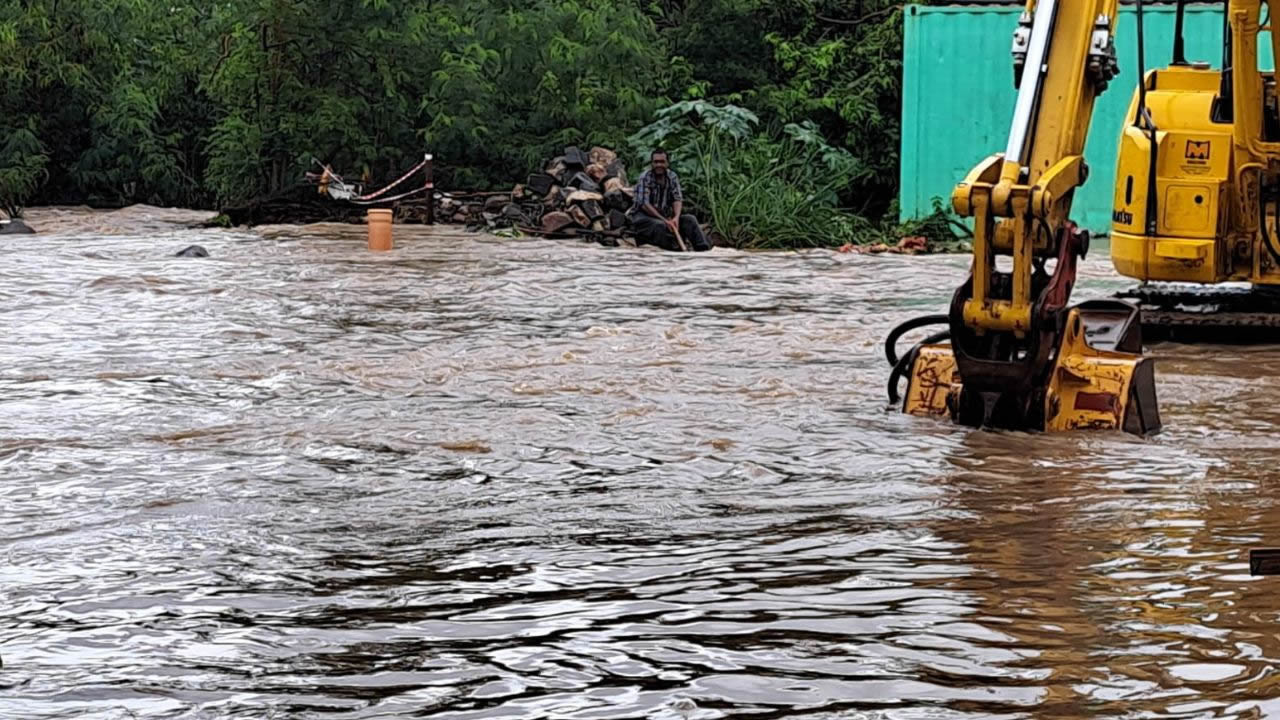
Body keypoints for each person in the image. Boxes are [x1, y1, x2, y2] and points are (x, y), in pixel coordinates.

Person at [628, 149, 712, 252]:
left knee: (690, 219)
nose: (659, 165)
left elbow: (677, 199)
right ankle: (672, 251)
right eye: (656, 162)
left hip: (665, 216)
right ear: (652, 164)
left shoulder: (672, 176)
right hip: (643, 217)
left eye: (662, 162)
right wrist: (665, 220)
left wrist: (676, 218)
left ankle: (703, 251)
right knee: (660, 226)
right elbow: (645, 205)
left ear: (667, 163)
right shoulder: (645, 177)